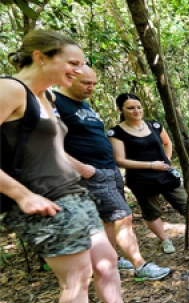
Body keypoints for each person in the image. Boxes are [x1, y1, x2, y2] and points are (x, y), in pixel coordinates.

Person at [0, 29, 160, 303]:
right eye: (72, 62)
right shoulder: (9, 88)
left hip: (74, 192)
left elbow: (46, 147)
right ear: (41, 57)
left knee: (106, 260)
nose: (77, 69)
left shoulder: (44, 96)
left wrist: (80, 168)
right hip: (43, 199)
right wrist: (21, 194)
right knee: (76, 278)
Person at [55, 65, 171, 280]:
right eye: (86, 83)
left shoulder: (84, 104)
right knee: (123, 217)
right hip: (91, 173)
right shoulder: (55, 101)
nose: (91, 88)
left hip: (108, 170)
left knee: (109, 220)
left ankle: (113, 259)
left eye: (94, 84)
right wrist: (81, 168)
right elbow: (49, 143)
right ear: (69, 78)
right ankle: (140, 266)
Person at [108, 93, 189, 254]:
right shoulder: (116, 132)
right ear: (120, 109)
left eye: (138, 107)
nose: (136, 111)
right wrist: (151, 165)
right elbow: (120, 160)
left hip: (164, 173)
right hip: (141, 178)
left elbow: (167, 143)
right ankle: (165, 240)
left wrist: (166, 161)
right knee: (151, 210)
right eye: (130, 108)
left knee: (183, 202)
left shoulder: (154, 125)